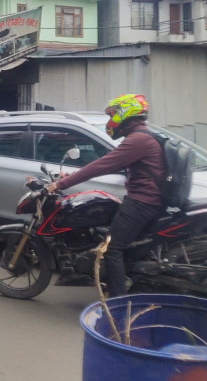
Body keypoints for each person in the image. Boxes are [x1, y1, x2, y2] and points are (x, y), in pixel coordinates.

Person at [46, 94, 166, 297]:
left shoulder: (138, 139)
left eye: (111, 115)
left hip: (142, 202)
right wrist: (71, 176)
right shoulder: (144, 135)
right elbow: (114, 164)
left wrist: (61, 183)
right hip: (150, 200)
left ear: (124, 113)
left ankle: (116, 301)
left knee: (113, 249)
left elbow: (102, 165)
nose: (109, 121)